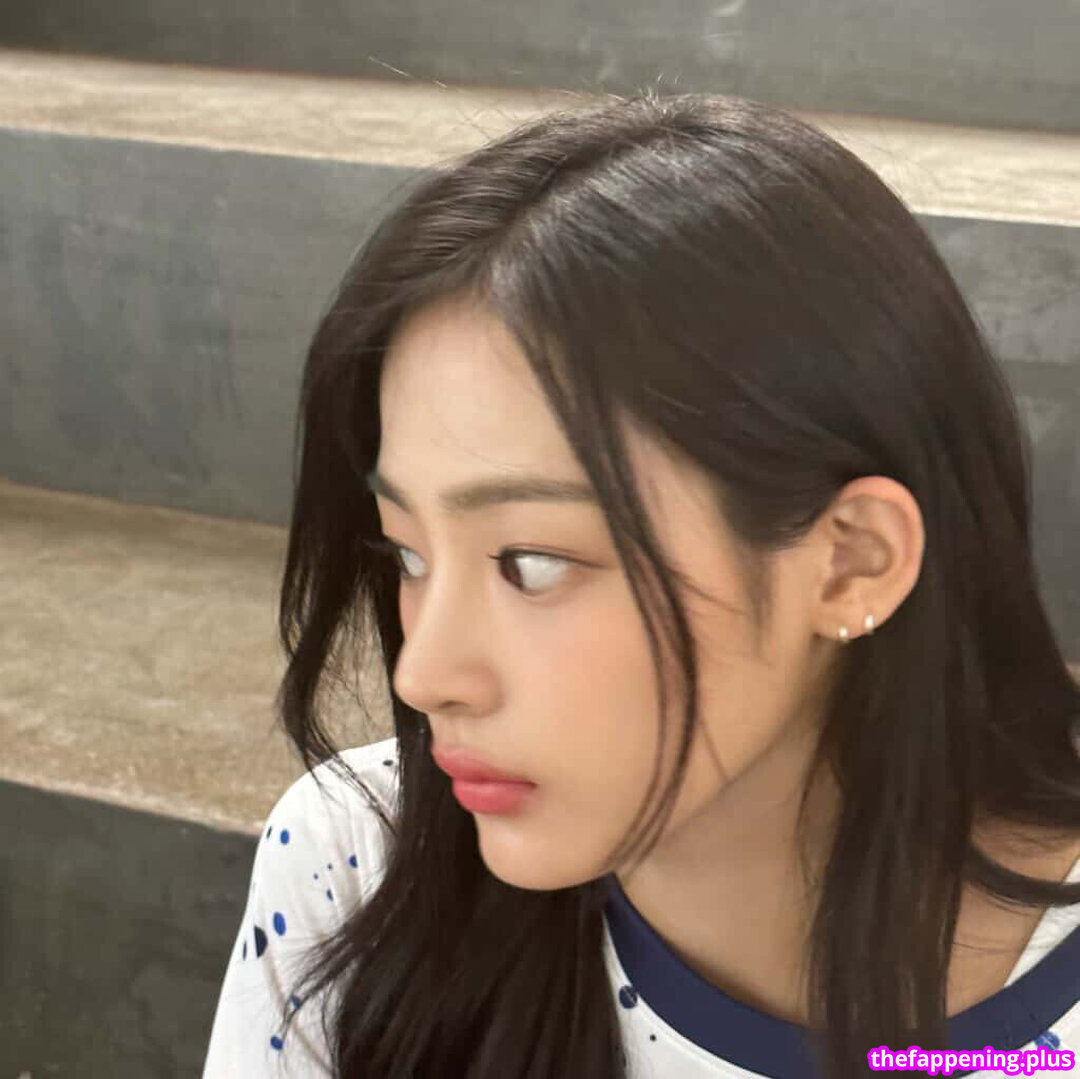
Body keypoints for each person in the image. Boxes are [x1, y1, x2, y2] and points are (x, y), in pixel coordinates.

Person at [202, 88, 1080, 1078]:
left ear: (850, 561)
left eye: (532, 563)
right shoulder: (358, 863)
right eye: (407, 553)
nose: (424, 672)